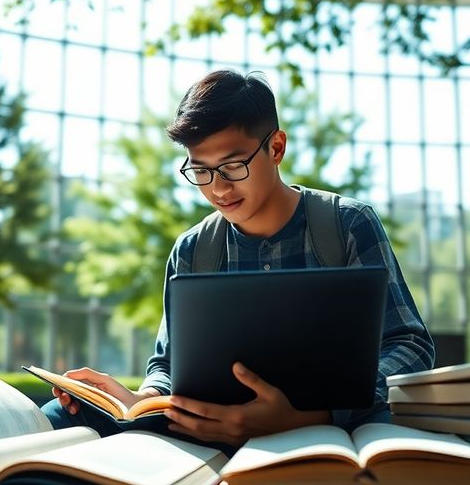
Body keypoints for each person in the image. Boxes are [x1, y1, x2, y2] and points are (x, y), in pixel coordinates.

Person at [42, 69, 435, 449]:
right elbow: (167, 365)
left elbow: (410, 345)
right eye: (200, 170)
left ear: (276, 148)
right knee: (60, 420)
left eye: (232, 166)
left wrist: (314, 415)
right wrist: (137, 400)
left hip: (326, 432)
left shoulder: (347, 224)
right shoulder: (193, 249)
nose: (218, 188)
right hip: (209, 432)